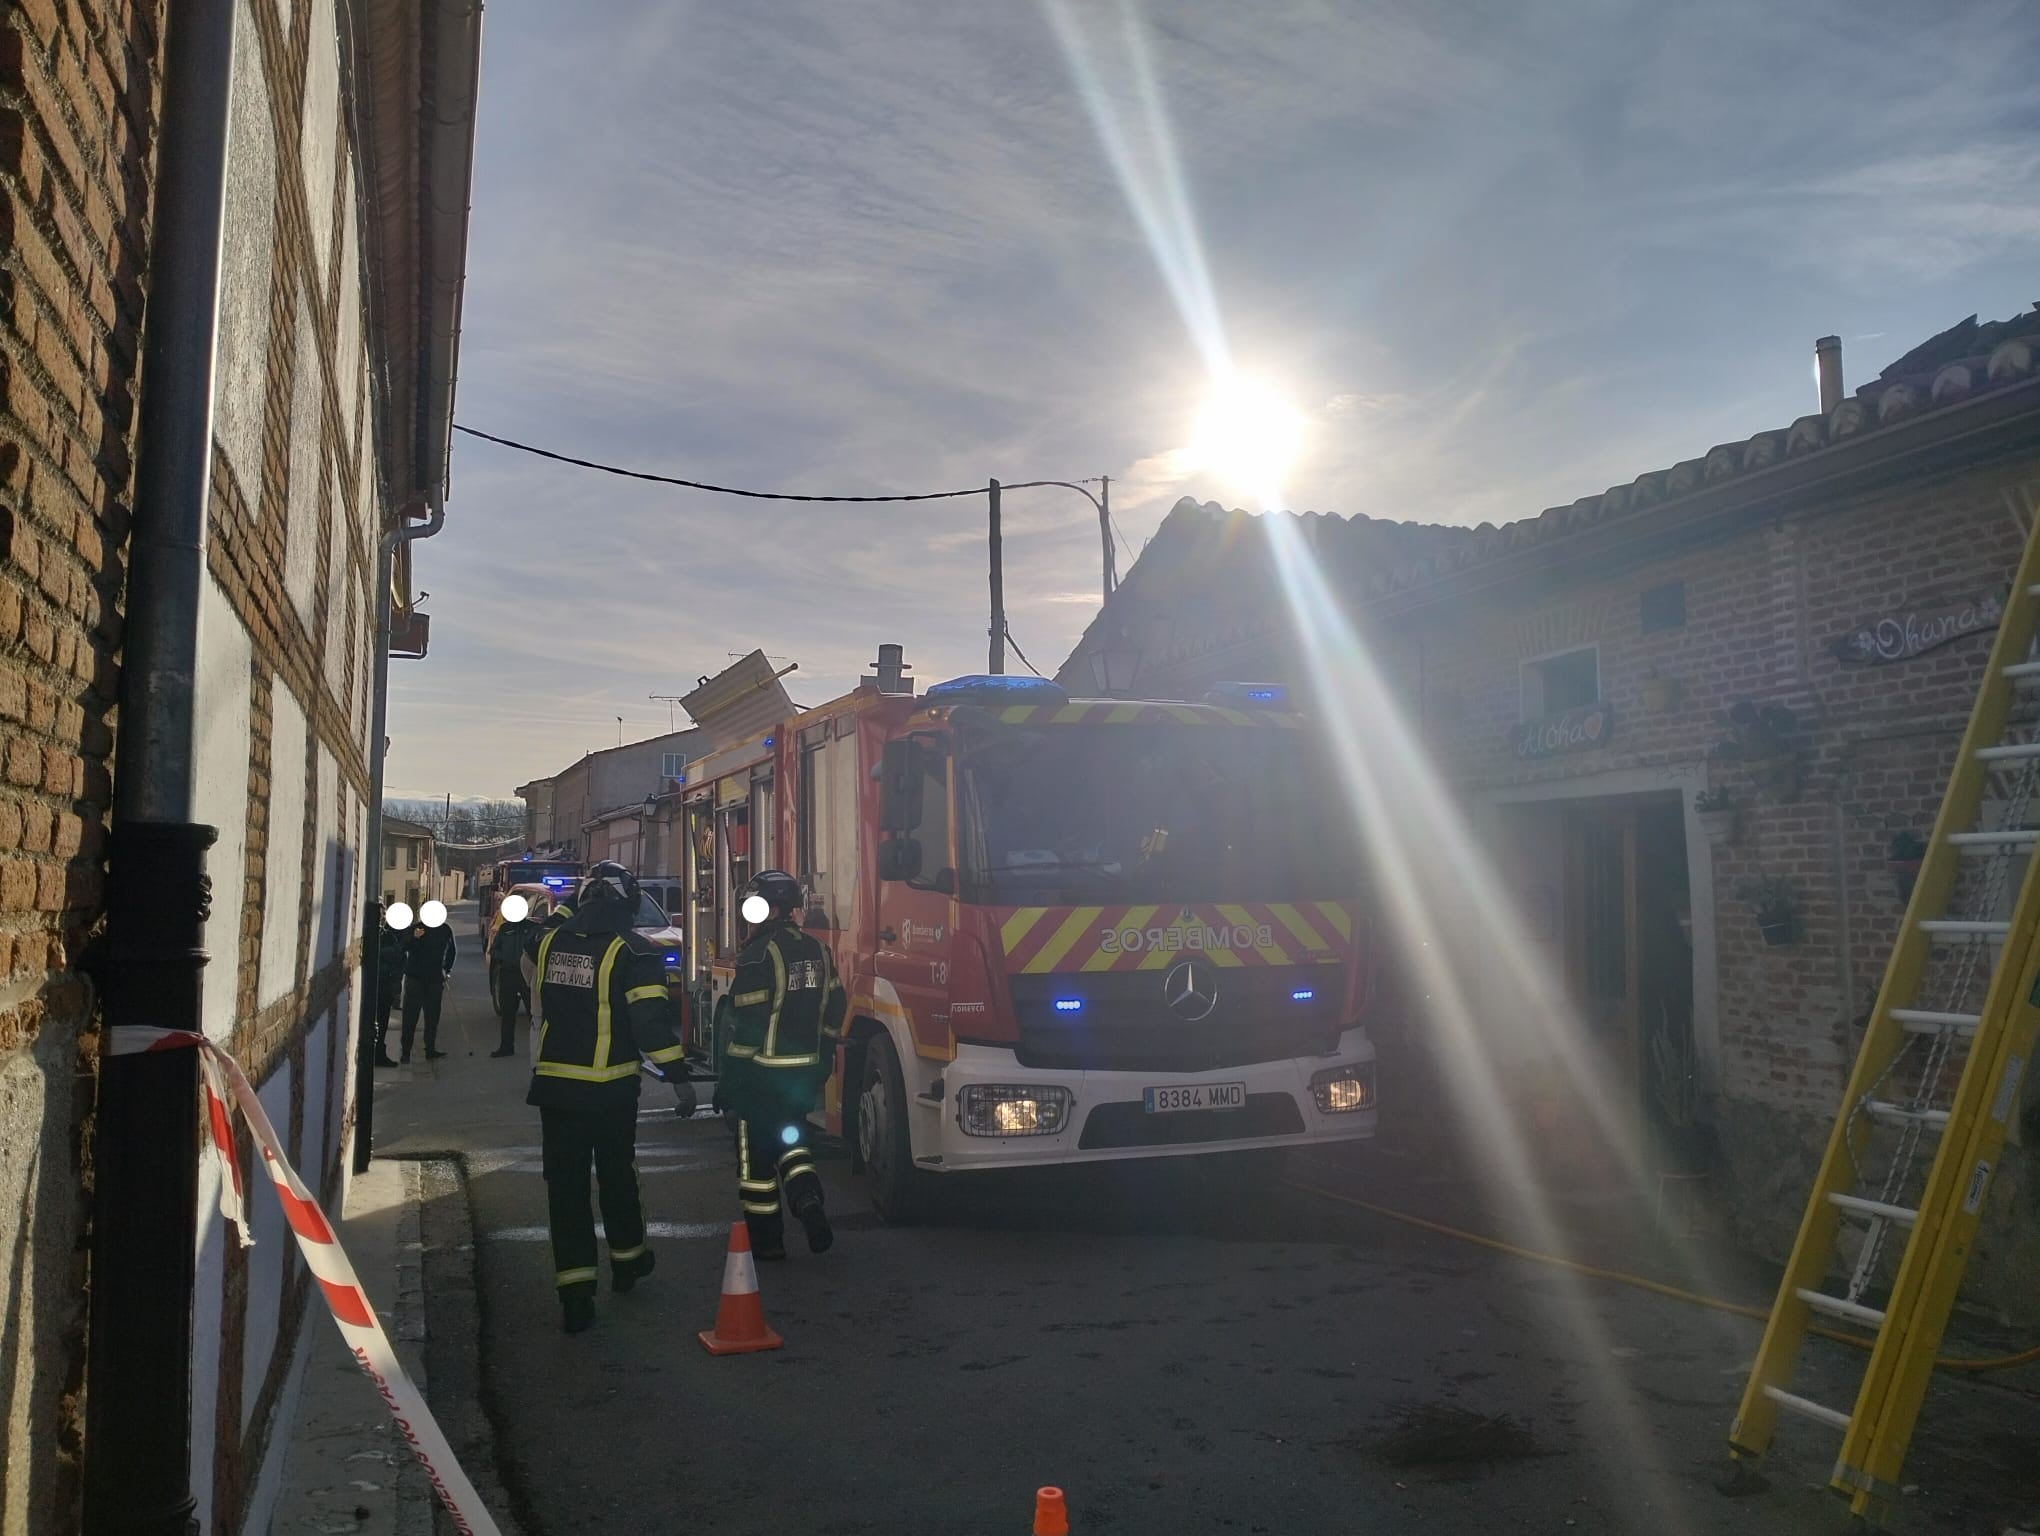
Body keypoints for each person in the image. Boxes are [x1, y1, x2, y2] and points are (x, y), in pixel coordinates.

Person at [526, 860, 687, 1333]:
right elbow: (651, 1027)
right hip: (610, 1090)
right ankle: (629, 1261)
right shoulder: (636, 951)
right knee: (617, 1176)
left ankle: (576, 1294)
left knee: (566, 1190)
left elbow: (548, 926)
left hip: (555, 1089)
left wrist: (572, 902)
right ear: (628, 904)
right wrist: (678, 1074)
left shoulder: (550, 943)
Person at [723, 870, 845, 1260]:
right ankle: (807, 1201)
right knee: (792, 1141)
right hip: (802, 1075)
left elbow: (748, 1027)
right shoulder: (818, 950)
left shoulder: (757, 954)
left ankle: (767, 1242)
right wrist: (823, 1056)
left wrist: (730, 1081)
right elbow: (835, 1007)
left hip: (761, 1077)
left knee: (756, 1160)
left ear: (768, 907)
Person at [399, 905, 457, 1063]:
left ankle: (430, 1049)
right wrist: (414, 938)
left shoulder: (445, 930)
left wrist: (448, 970)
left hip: (435, 980)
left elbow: (451, 952)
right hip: (415, 979)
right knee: (410, 1016)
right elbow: (403, 947)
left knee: (432, 1017)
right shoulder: (416, 928)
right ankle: (406, 1052)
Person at [488, 895, 540, 1058]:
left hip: (527, 976)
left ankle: (539, 1048)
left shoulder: (533, 928)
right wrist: (504, 956)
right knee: (507, 1013)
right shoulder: (504, 929)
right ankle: (506, 1046)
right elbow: (494, 950)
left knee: (534, 1014)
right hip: (508, 974)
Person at [373, 906, 406, 1068]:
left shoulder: (388, 935)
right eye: (380, 915)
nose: (383, 917)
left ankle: (380, 1053)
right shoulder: (371, 936)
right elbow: (374, 954)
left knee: (383, 1022)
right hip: (373, 988)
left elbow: (399, 955)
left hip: (386, 986)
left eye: (384, 915)